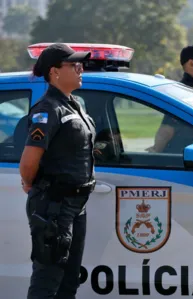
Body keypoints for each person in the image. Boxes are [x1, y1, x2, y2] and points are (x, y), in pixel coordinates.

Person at [19, 43, 96, 299]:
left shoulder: (73, 105)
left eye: (80, 64)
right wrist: (32, 183)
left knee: (68, 283)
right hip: (54, 206)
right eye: (74, 65)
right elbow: (28, 163)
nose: (80, 68)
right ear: (54, 72)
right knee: (47, 283)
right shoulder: (47, 109)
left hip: (75, 205)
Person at [147, 45, 193, 153]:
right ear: (191, 64)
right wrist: (155, 153)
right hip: (177, 162)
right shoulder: (184, 93)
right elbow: (167, 129)